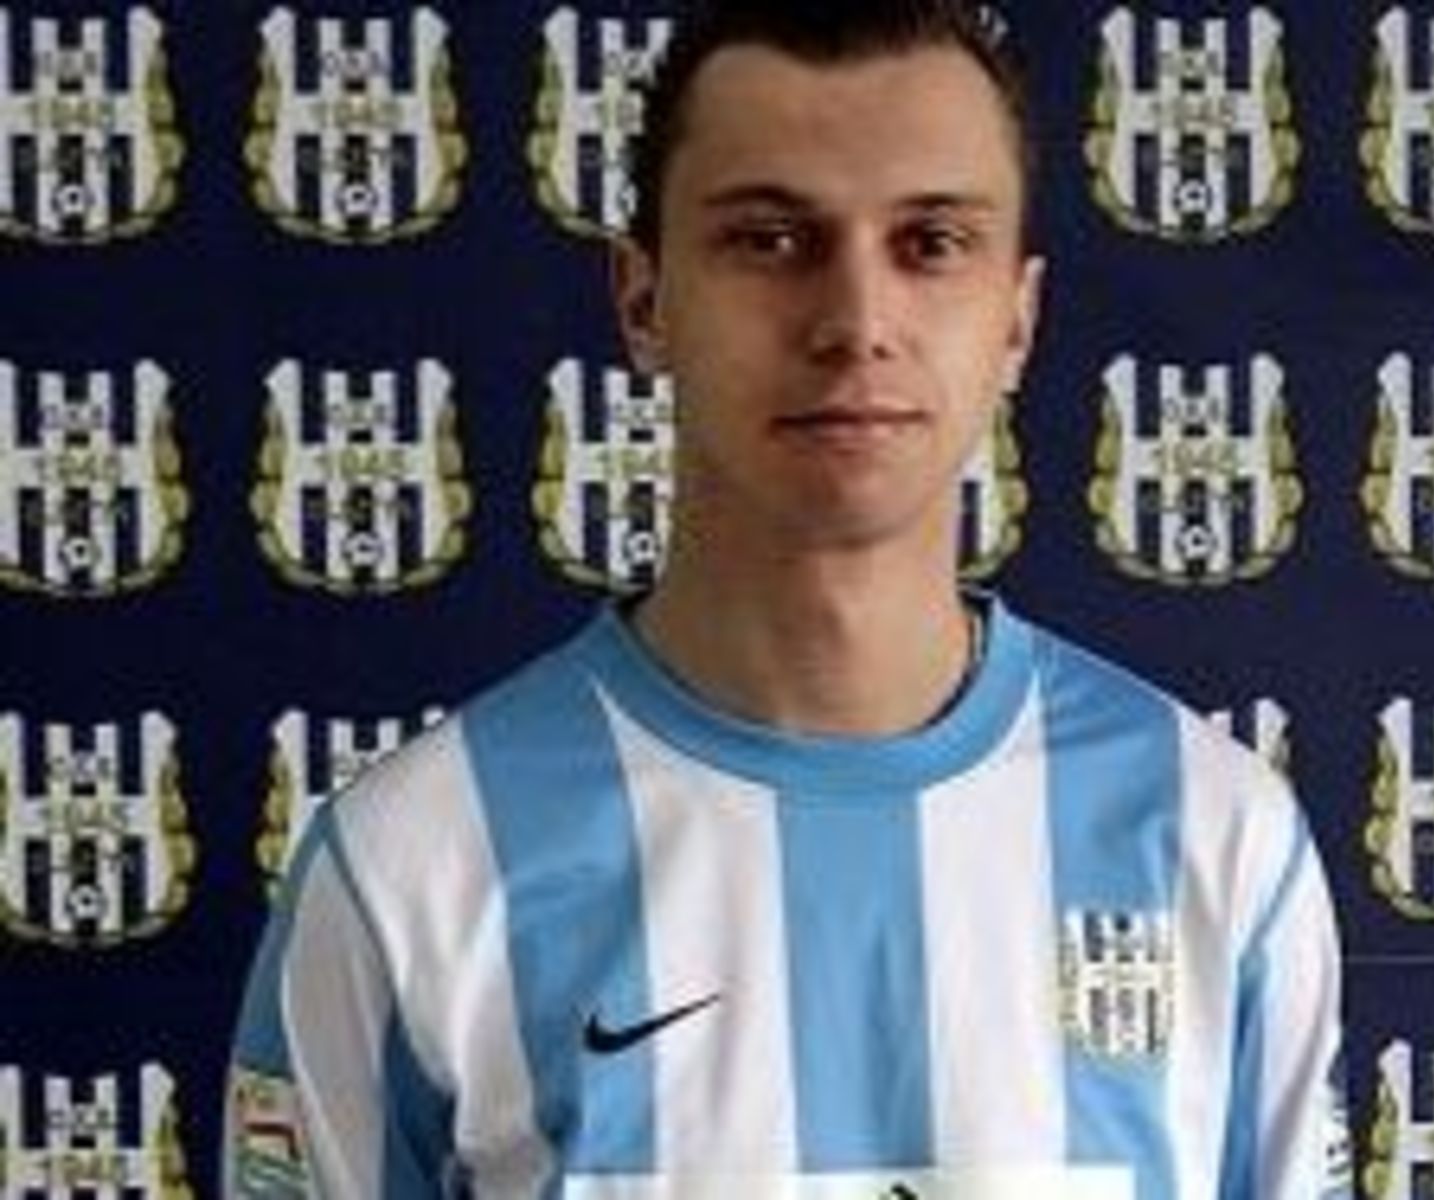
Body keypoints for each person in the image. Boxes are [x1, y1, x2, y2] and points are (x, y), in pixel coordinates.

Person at [225, 1, 1350, 1195]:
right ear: (643, 301)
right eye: (769, 240)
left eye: (931, 244)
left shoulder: (1216, 837)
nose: (856, 323)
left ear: (1016, 318)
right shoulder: (411, 865)